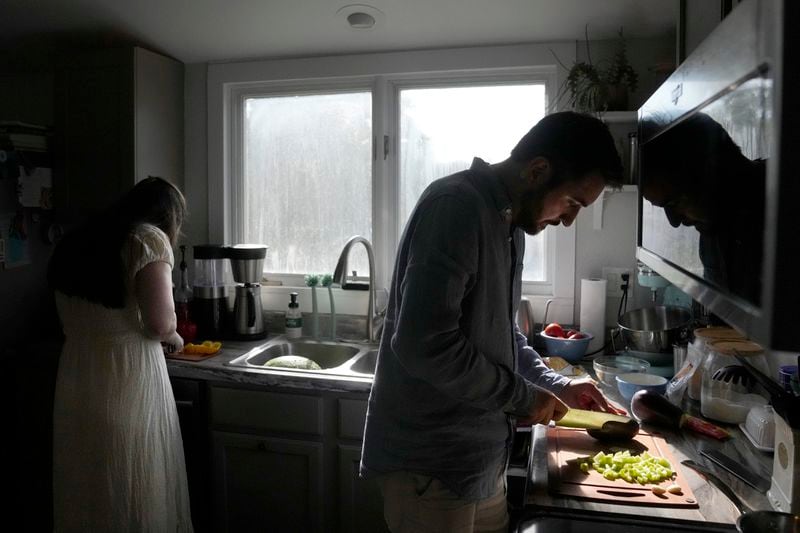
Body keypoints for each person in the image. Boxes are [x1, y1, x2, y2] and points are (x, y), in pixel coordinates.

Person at [360, 111, 626, 532]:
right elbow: (422, 344)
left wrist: (558, 386)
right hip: (431, 467)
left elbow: (501, 335)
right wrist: (525, 399)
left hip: (482, 462)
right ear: (537, 170)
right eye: (573, 202)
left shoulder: (511, 223)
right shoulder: (455, 207)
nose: (568, 220)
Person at [48, 177, 193, 531]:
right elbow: (160, 323)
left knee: (89, 490)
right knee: (136, 487)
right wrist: (174, 336)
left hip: (77, 375)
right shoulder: (147, 239)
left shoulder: (77, 240)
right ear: (168, 216)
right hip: (128, 381)